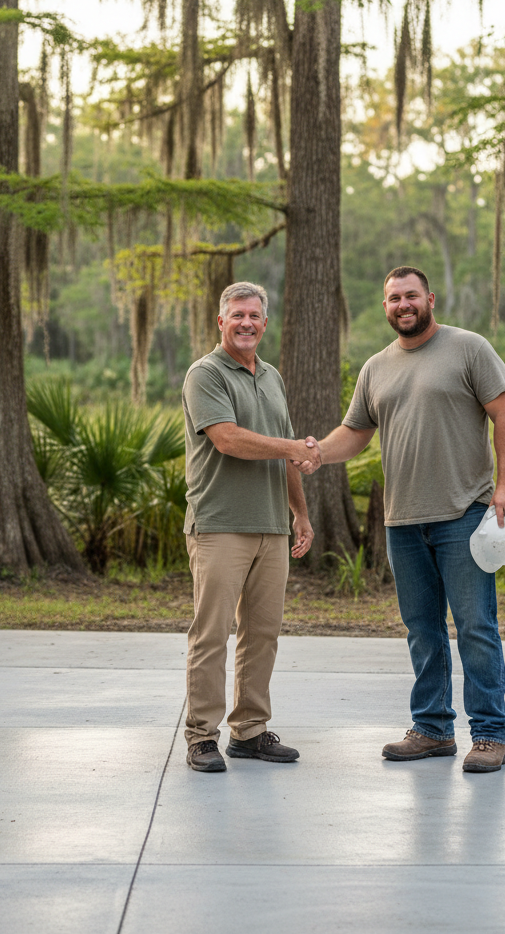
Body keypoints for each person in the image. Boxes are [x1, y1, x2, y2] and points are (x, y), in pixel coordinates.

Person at [296, 267, 505, 773]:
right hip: (402, 521)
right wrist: (314, 454)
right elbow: (354, 432)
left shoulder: (469, 348)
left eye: (411, 295)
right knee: (421, 629)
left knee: (475, 627)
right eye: (394, 298)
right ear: (385, 306)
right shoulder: (376, 368)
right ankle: (432, 730)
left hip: (464, 513)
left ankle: (488, 734)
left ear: (430, 299)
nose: (403, 304)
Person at [181, 281, 317, 773]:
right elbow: (228, 440)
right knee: (211, 634)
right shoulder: (206, 374)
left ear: (264, 322)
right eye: (236, 315)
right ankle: (201, 736)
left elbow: (282, 454)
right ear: (221, 322)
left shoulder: (273, 377)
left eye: (254, 315)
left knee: (263, 633)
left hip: (271, 527)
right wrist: (292, 448)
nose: (245, 323)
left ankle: (251, 731)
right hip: (219, 526)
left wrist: (299, 514)